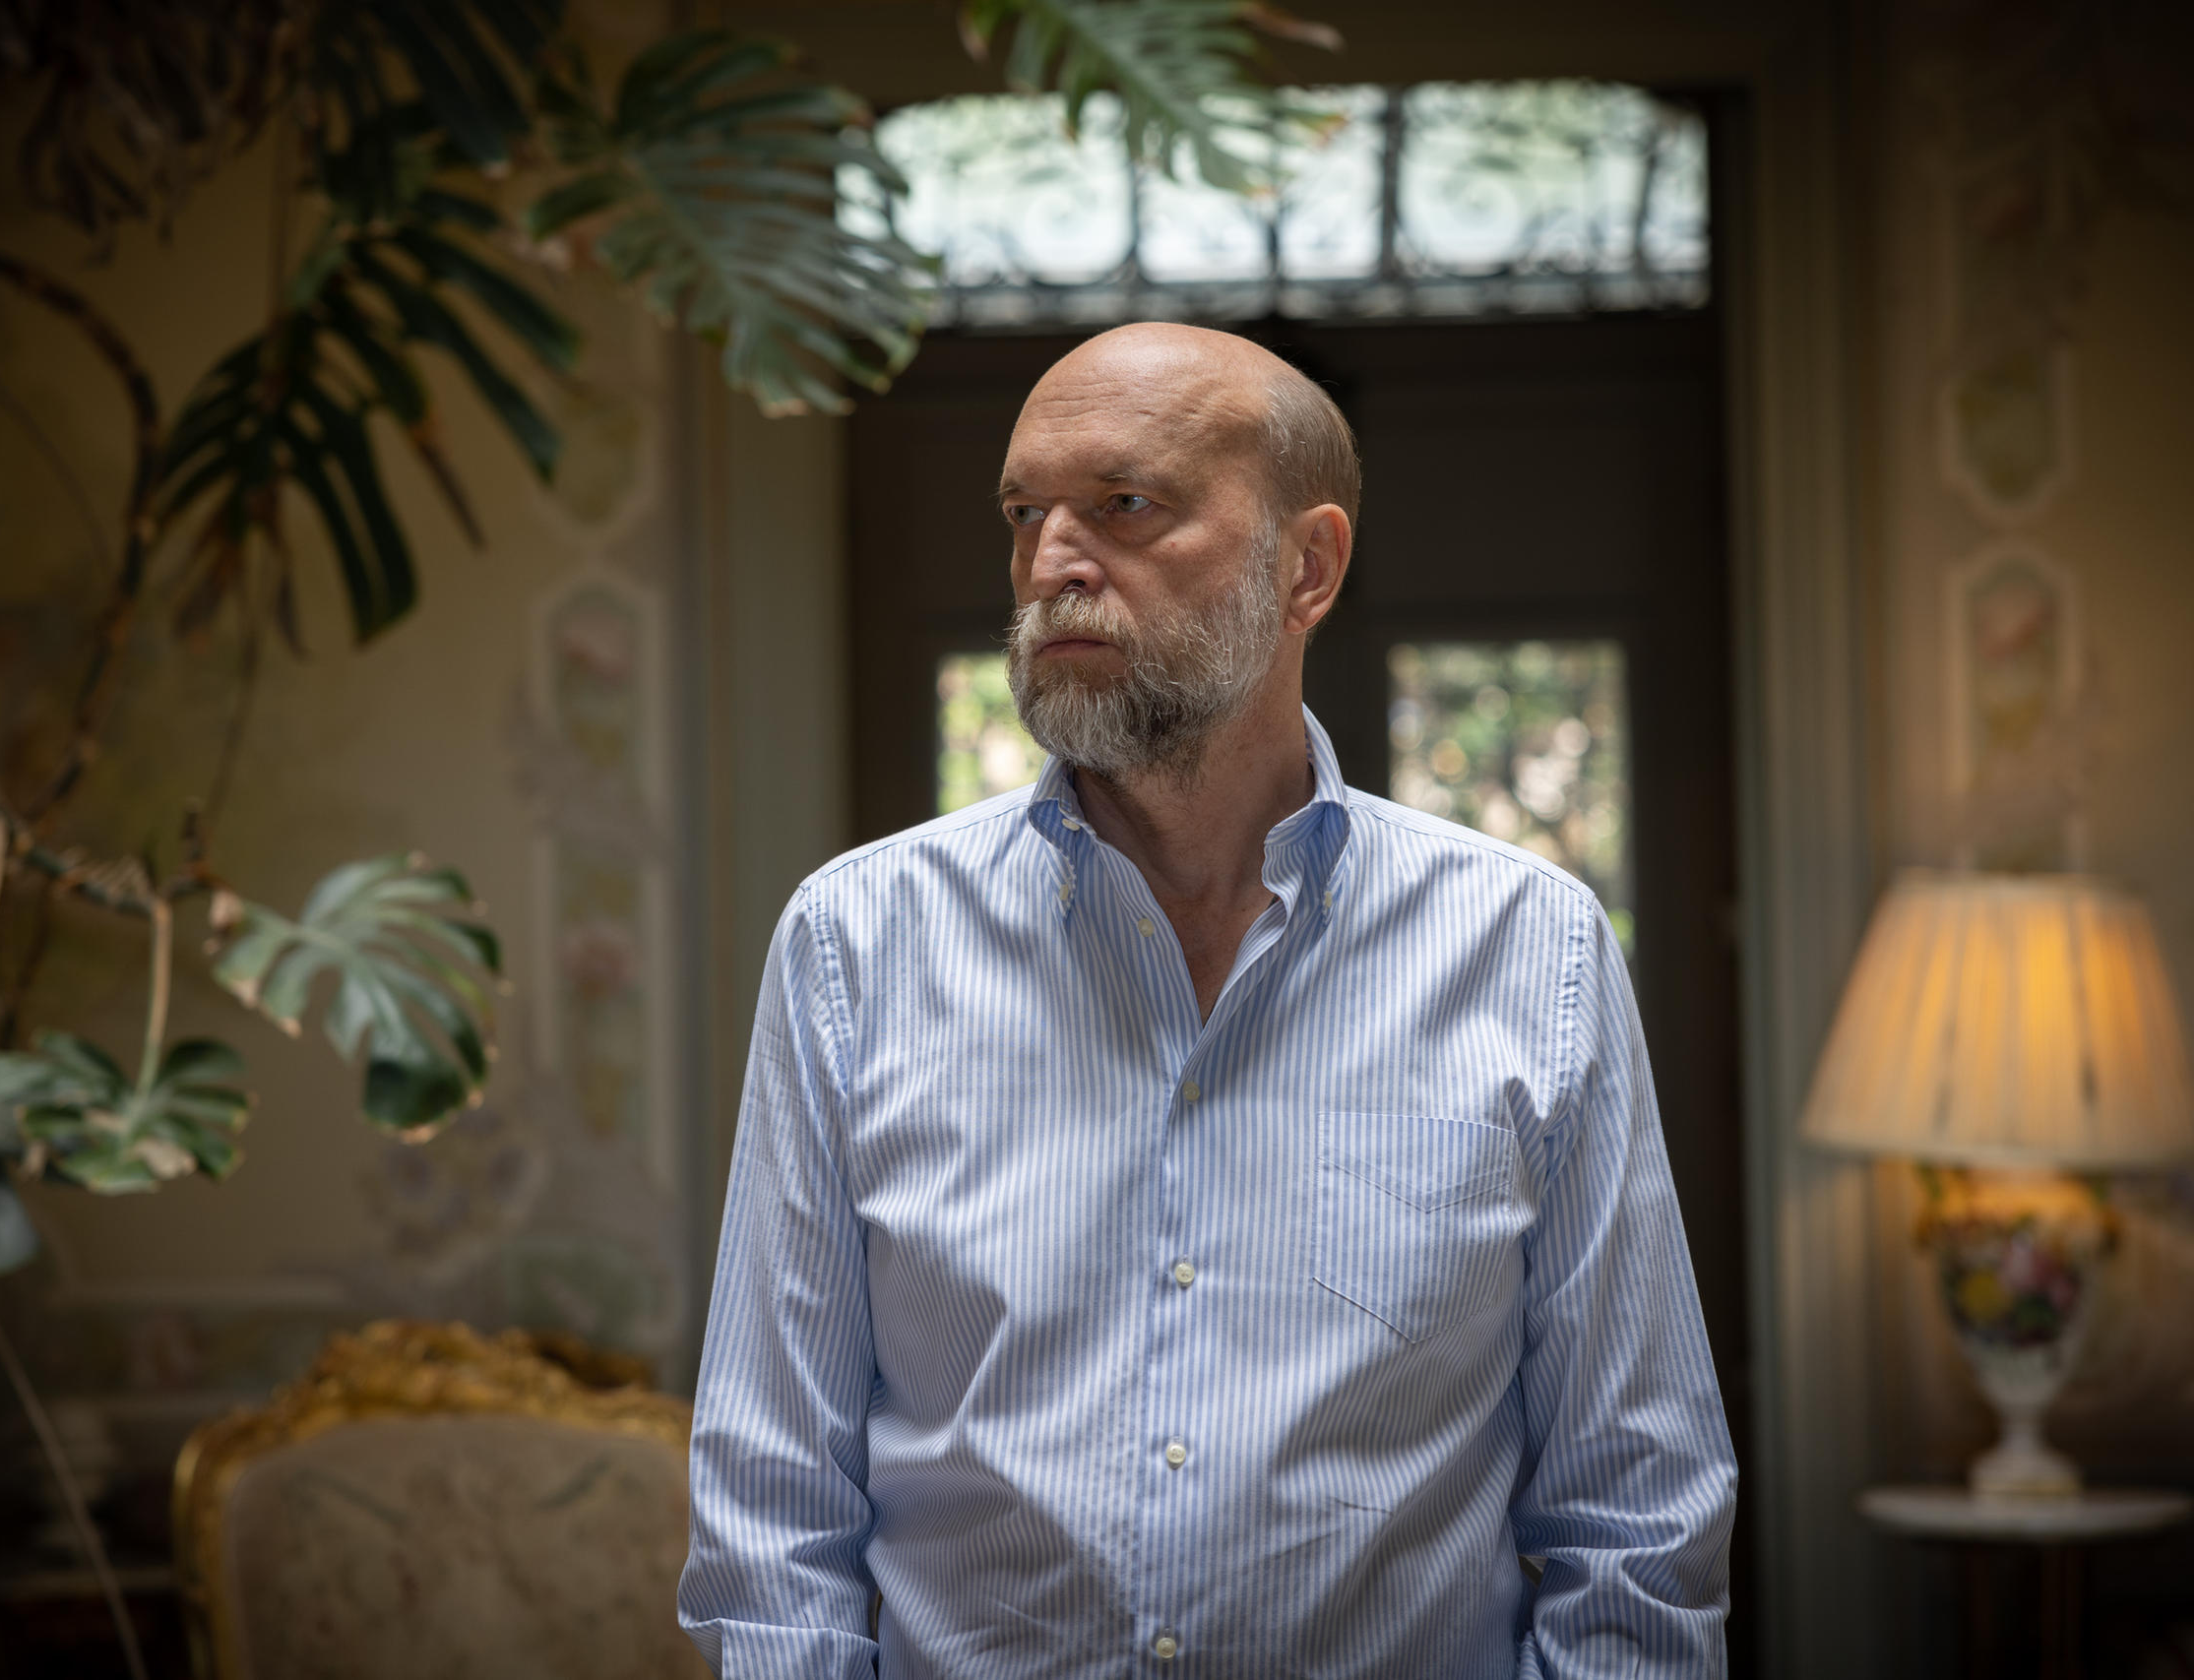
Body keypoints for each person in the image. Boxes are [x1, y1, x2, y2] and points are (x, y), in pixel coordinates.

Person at [678, 322, 1735, 1678]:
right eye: (1024, 514)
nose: (1053, 563)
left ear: (1308, 567)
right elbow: (773, 1508)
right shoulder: (855, 944)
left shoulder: (1535, 952)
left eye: (1125, 506)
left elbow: (1635, 1521)